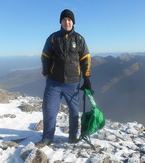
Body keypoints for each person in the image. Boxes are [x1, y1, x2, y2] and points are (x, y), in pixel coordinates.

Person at [37, 9, 93, 145]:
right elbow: (45, 56)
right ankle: (47, 138)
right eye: (64, 20)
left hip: (73, 83)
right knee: (49, 110)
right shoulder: (53, 38)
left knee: (74, 112)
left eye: (69, 20)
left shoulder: (79, 39)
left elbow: (85, 59)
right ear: (60, 22)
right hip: (54, 82)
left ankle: (73, 136)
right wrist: (46, 73)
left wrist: (86, 79)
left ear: (73, 22)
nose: (67, 22)